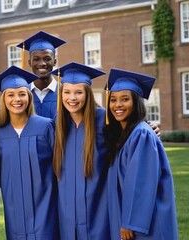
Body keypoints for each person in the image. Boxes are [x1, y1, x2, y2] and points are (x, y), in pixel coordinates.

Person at [104, 68, 178, 240]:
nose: (117, 105)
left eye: (125, 99)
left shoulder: (141, 134)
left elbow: (141, 182)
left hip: (143, 225)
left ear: (136, 102)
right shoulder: (123, 135)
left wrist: (130, 223)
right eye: (113, 100)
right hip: (130, 219)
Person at [0, 66, 59, 239]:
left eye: (22, 94)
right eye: (10, 94)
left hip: (45, 205)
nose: (17, 99)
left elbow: (59, 166)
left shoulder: (45, 126)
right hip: (14, 207)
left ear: (29, 97)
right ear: (3, 99)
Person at [51, 62, 109, 240]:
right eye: (67, 92)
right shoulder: (58, 123)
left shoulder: (105, 120)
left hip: (98, 210)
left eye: (78, 92)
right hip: (66, 212)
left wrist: (150, 126)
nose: (72, 98)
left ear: (88, 94)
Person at [17, 31, 66, 119]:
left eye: (47, 59)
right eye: (36, 59)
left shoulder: (65, 93)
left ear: (54, 62)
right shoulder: (20, 94)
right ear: (29, 62)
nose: (42, 63)